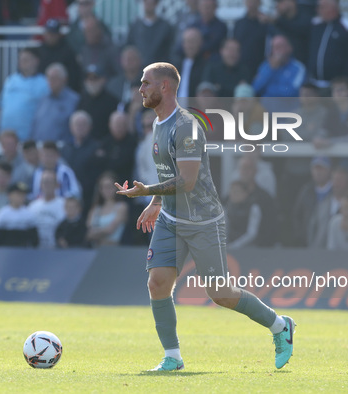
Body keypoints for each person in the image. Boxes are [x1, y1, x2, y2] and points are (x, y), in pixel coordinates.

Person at [115, 62, 295, 371]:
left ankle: (280, 325)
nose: (140, 89)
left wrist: (146, 192)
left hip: (202, 222)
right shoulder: (159, 122)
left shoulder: (186, 126)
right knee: (158, 283)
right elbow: (168, 173)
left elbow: (186, 180)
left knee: (220, 293)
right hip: (171, 219)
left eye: (145, 83)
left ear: (165, 87)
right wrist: (156, 201)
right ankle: (172, 357)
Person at [0, 47, 49, 141]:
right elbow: (2, 106)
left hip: (29, 138)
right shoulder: (10, 80)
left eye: (26, 59)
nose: (22, 62)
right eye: (21, 59)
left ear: (36, 61)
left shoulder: (44, 83)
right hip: (7, 137)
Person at [307, 0, 348, 92]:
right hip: (313, 84)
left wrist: (344, 81)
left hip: (335, 86)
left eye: (322, 7)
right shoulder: (315, 24)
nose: (318, 10)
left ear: (332, 8)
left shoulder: (347, 28)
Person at [61, 110, 102, 215]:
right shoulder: (65, 148)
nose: (80, 127)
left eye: (83, 124)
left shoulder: (96, 148)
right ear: (71, 127)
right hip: (68, 197)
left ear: (90, 127)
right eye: (77, 124)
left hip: (88, 196)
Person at [30, 63, 79, 143]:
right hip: (40, 149)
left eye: (54, 78)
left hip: (61, 149)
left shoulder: (74, 100)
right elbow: (35, 124)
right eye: (49, 78)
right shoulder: (43, 99)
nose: (51, 82)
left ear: (64, 79)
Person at [307, 166, 348, 248]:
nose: (337, 183)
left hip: (345, 254)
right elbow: (312, 228)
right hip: (321, 253)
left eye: (340, 180)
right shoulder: (322, 205)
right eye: (334, 180)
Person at [292, 156, 332, 247]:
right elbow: (297, 215)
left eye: (321, 168)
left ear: (329, 170)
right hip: (308, 242)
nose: (318, 172)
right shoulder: (306, 191)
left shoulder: (335, 190)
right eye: (315, 168)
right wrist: (301, 235)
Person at [38, 19, 81, 93]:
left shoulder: (68, 51)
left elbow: (73, 77)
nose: (51, 36)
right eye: (48, 33)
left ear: (59, 34)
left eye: (53, 34)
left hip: (63, 92)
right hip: (43, 92)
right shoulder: (40, 50)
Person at [126, 0, 174, 67]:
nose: (148, 4)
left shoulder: (165, 28)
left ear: (156, 4)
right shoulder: (135, 27)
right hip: (139, 72)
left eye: (151, 2)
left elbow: (169, 52)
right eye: (146, 2)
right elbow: (130, 48)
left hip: (159, 71)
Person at [86, 171, 127, 247]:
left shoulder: (121, 207)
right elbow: (88, 233)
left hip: (113, 249)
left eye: (109, 187)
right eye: (103, 187)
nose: (106, 190)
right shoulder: (95, 208)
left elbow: (110, 230)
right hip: (95, 249)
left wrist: (96, 233)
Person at [0, 182, 38, 247]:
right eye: (18, 194)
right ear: (9, 195)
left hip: (24, 251)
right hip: (6, 250)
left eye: (23, 194)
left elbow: (34, 239)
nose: (21, 197)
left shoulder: (29, 214)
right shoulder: (2, 214)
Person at [29, 169, 66, 248]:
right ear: (40, 184)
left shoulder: (65, 205)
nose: (47, 185)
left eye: (50, 182)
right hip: (36, 251)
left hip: (58, 251)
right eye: (45, 182)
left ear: (57, 185)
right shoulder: (32, 206)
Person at [269, 0, 312, 66]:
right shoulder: (277, 23)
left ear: (292, 2)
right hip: (283, 67)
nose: (277, 6)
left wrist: (277, 21)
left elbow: (301, 28)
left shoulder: (306, 16)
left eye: (280, 2)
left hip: (303, 66)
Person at [233, 0, 268, 80]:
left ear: (259, 2)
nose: (251, 3)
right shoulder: (239, 23)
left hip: (261, 69)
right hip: (241, 69)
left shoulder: (266, 23)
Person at [225, 180, 261, 249]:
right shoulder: (227, 207)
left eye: (236, 192)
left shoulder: (254, 208)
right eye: (231, 191)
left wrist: (234, 246)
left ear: (245, 193)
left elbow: (252, 233)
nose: (233, 194)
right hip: (230, 247)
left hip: (249, 249)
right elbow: (225, 229)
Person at [173, 27, 207, 99]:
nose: (190, 46)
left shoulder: (206, 66)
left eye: (193, 42)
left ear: (200, 43)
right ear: (183, 44)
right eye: (187, 41)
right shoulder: (175, 65)